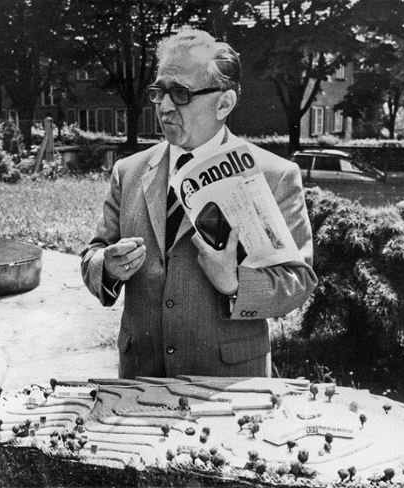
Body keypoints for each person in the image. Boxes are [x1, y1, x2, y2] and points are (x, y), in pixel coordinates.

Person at [81, 29, 317, 379]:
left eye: (180, 93)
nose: (163, 106)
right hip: (142, 376)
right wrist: (108, 267)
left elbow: (298, 282)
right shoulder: (128, 171)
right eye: (159, 91)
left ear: (224, 104)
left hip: (228, 385)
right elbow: (93, 256)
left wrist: (235, 283)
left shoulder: (275, 175)